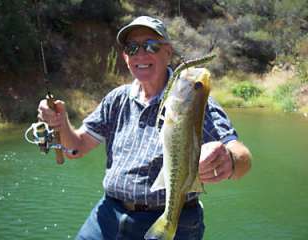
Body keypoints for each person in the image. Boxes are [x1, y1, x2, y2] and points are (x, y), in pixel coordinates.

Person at [38, 16, 252, 240]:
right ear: (125, 57)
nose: (140, 54)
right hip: (109, 214)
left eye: (151, 46)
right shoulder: (116, 99)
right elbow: (77, 147)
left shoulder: (194, 100)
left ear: (168, 52)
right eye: (132, 48)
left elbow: (242, 158)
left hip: (175, 218)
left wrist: (230, 159)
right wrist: (61, 123)